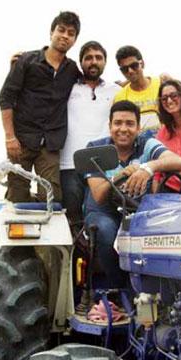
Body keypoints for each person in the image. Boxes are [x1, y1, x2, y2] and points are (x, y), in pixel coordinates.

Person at [83, 101, 181, 287]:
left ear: (138, 128)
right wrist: (122, 174)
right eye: (118, 123)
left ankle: (158, 293)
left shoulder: (146, 144)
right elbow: (98, 195)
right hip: (102, 211)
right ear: (110, 126)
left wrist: (148, 167)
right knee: (105, 230)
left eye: (130, 124)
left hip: (137, 211)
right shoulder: (95, 148)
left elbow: (178, 162)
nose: (123, 129)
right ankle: (119, 290)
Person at [0, 11, 81, 203]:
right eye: (61, 30)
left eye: (71, 33)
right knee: (17, 196)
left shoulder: (72, 70)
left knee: (51, 198)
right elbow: (5, 98)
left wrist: (122, 84)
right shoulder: (26, 61)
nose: (65, 36)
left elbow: (92, 83)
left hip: (50, 144)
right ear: (51, 32)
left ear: (74, 40)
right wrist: (9, 137)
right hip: (21, 141)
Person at [59, 41, 120, 224]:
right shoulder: (67, 88)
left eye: (98, 58)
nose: (94, 62)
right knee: (73, 220)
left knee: (99, 220)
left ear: (105, 62)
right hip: (69, 164)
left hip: (102, 166)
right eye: (88, 58)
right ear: (81, 62)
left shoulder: (117, 91)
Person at [113, 46, 163, 133]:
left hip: (166, 142)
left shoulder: (161, 84)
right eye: (125, 69)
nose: (130, 71)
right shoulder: (120, 97)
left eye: (134, 66)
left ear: (142, 64)